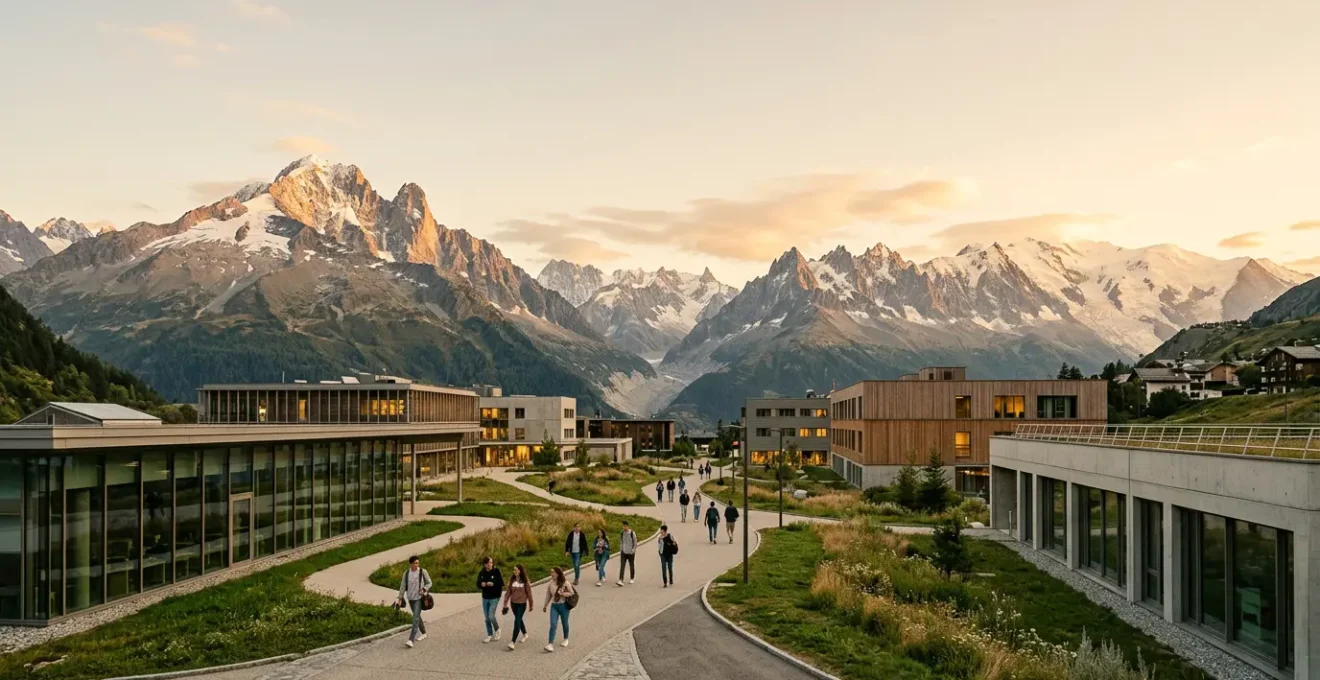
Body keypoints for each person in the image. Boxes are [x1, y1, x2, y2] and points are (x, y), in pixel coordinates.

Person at [397, 555, 432, 648]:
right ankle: (424, 633)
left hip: (419, 598)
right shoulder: (407, 573)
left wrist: (424, 589)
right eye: (415, 563)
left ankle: (410, 640)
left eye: (418, 563)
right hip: (410, 598)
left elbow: (429, 583)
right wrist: (400, 598)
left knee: (415, 618)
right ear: (411, 564)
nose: (417, 565)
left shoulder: (422, 571)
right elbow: (403, 586)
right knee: (417, 616)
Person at [502, 564, 534, 650]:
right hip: (513, 604)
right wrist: (505, 604)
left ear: (520, 571)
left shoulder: (525, 581)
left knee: (517, 621)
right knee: (518, 619)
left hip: (522, 604)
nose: (514, 571)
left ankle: (512, 642)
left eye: (516, 570)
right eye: (514, 570)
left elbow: (529, 593)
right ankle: (525, 634)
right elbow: (508, 593)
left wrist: (531, 604)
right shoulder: (512, 580)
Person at [543, 566, 575, 652]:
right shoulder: (551, 584)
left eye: (553, 572)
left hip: (563, 606)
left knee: (565, 623)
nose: (551, 574)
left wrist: (563, 594)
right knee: (553, 624)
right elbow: (548, 595)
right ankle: (550, 644)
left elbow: (571, 593)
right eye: (551, 572)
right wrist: (545, 605)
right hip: (554, 606)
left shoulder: (565, 583)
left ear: (558, 574)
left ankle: (566, 639)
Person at [477, 556, 504, 642]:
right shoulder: (482, 573)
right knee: (486, 617)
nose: (491, 564)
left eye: (491, 562)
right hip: (485, 597)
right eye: (489, 563)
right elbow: (478, 583)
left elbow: (501, 582)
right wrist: (482, 584)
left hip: (495, 596)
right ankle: (489, 634)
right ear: (485, 564)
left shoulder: (496, 571)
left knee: (491, 615)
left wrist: (493, 583)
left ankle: (497, 629)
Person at [617, 520, 637, 586]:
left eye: (625, 526)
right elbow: (621, 541)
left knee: (631, 565)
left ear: (628, 526)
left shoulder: (632, 533)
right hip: (624, 552)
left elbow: (635, 542)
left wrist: (633, 550)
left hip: (630, 552)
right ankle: (620, 579)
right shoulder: (622, 533)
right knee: (622, 565)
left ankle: (632, 578)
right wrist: (621, 549)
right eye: (623, 526)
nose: (624, 527)